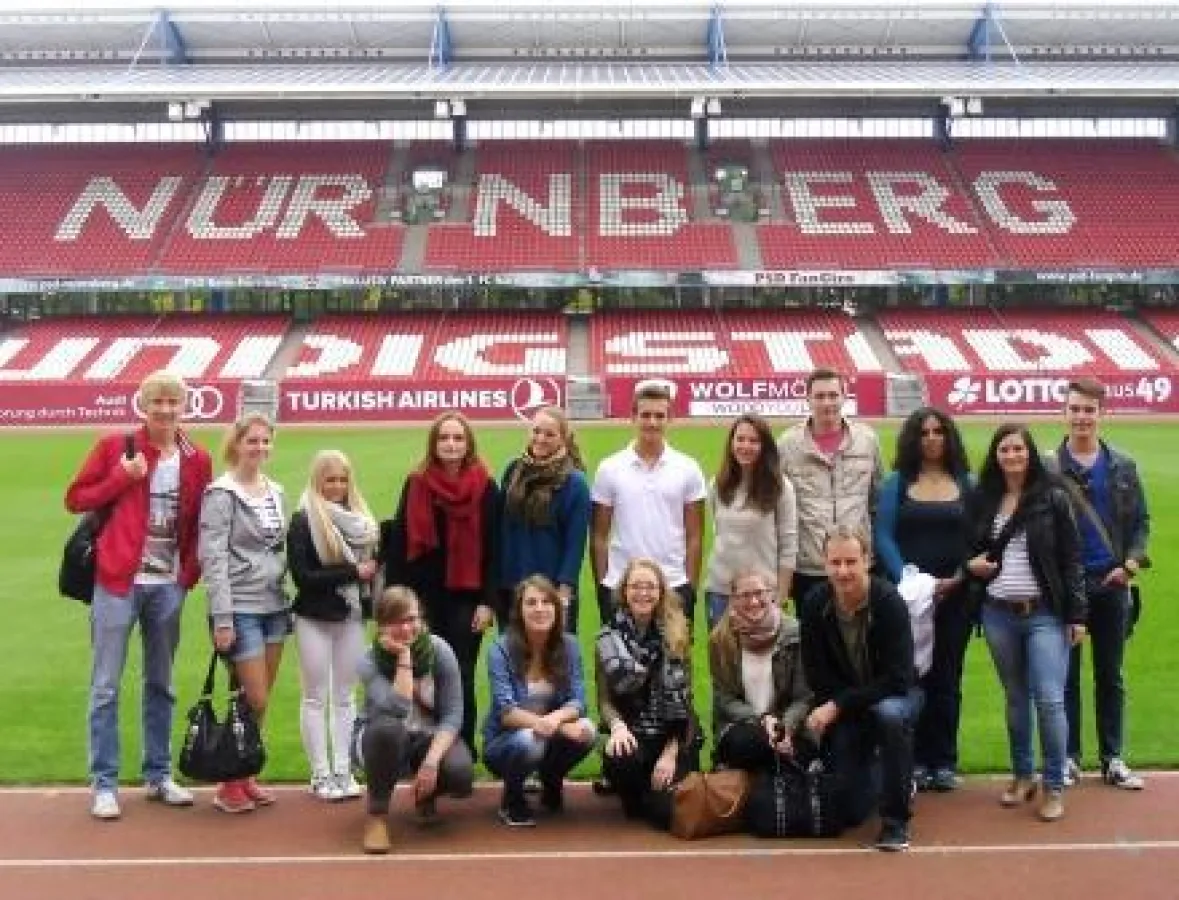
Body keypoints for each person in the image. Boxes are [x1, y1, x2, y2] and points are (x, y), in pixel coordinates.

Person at [65, 370, 212, 821]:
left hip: (167, 585)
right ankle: (104, 783)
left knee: (161, 684)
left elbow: (202, 521)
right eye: (157, 402)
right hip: (117, 581)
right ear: (142, 406)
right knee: (106, 685)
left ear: (183, 406)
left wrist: (187, 576)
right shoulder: (115, 446)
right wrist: (121, 478)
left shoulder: (197, 457)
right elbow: (76, 498)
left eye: (173, 401)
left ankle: (158, 774)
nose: (166, 409)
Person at [967, 424, 1086, 823]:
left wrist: (1077, 615)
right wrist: (972, 564)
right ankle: (1022, 775)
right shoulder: (986, 498)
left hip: (1045, 614)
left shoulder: (1053, 498)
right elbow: (971, 545)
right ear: (996, 455)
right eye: (1004, 449)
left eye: (1018, 448)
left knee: (1050, 700)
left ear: (1029, 452)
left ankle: (1054, 784)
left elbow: (1072, 559)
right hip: (998, 612)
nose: (1012, 455)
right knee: (1015, 699)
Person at [1048, 378, 1150, 791]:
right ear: (1064, 412)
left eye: (1089, 410)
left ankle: (1112, 757)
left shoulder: (1123, 465)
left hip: (1112, 582)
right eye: (1075, 409)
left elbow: (1141, 522)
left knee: (1110, 675)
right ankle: (1070, 758)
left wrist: (1130, 564)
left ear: (1101, 413)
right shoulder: (1050, 467)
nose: (1081, 417)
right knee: (1065, 676)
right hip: (1068, 586)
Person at [383, 411, 497, 756]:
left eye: (458, 438)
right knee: (421, 672)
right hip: (422, 599)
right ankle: (421, 746)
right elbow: (400, 544)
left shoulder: (486, 486)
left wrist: (488, 601)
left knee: (461, 673)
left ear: (468, 443)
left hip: (467, 597)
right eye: (444, 438)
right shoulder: (417, 483)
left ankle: (460, 749)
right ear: (434, 443)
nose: (451, 444)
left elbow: (495, 547)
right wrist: (397, 607)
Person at [800, 525, 921, 853]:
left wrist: (839, 705)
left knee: (891, 717)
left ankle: (896, 823)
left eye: (851, 562)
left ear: (867, 560)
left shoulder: (889, 603)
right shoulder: (813, 605)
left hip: (894, 696)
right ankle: (891, 775)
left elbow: (898, 678)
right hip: (846, 704)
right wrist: (841, 705)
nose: (843, 571)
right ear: (824, 564)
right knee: (850, 812)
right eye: (835, 562)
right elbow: (817, 676)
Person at [874, 407, 974, 793]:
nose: (932, 438)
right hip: (911, 599)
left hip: (956, 596)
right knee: (911, 677)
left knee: (948, 678)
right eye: (924, 432)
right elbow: (883, 535)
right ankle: (912, 759)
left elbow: (979, 537)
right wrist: (911, 581)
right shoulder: (897, 483)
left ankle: (943, 759)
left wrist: (959, 577)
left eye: (939, 431)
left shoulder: (967, 482)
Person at [199, 412, 289, 814]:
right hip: (240, 606)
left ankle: (245, 772)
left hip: (275, 603)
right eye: (252, 441)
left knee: (262, 699)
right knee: (249, 695)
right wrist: (222, 617)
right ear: (236, 444)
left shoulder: (276, 491)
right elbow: (212, 557)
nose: (259, 448)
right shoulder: (221, 494)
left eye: (265, 441)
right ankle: (228, 782)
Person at [288, 449, 379, 802]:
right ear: (317, 481)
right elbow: (303, 576)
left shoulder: (360, 519)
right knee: (315, 696)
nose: (337, 486)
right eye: (330, 480)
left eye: (342, 479)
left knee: (345, 696)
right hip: (314, 615)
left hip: (351, 616)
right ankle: (320, 774)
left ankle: (343, 770)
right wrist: (353, 572)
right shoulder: (303, 519)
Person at [355, 586, 474, 854]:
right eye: (397, 622)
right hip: (381, 740)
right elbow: (398, 707)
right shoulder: (368, 660)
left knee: (460, 771)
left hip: (426, 737)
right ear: (381, 625)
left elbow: (453, 714)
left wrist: (431, 762)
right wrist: (404, 658)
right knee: (387, 729)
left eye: (411, 619)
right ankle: (377, 816)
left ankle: (426, 794)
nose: (406, 628)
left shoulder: (440, 651)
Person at [591, 380, 706, 628]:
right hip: (622, 585)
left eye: (659, 415)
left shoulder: (688, 468)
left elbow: (695, 535)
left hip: (673, 585)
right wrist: (603, 586)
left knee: (674, 664)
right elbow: (599, 535)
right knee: (619, 664)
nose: (652, 422)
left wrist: (690, 586)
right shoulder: (610, 468)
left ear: (669, 418)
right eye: (645, 415)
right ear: (633, 417)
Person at [484, 576, 596, 826]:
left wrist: (556, 720)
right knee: (529, 739)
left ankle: (551, 778)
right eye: (531, 603)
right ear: (519, 611)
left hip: (550, 734)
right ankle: (512, 800)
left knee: (588, 730)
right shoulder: (500, 650)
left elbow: (579, 702)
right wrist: (550, 725)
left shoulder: (570, 646)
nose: (540, 609)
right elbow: (507, 712)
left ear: (557, 609)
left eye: (547, 602)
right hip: (505, 742)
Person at [596, 557, 699, 826]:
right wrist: (617, 727)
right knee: (621, 760)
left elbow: (686, 703)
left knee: (665, 814)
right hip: (634, 733)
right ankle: (636, 792)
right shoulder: (608, 638)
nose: (643, 593)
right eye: (636, 586)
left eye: (650, 586)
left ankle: (656, 791)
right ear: (624, 592)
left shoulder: (677, 634)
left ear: (661, 592)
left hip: (670, 736)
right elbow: (605, 699)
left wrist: (670, 753)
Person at [779, 368, 884, 618]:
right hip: (809, 567)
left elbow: (877, 502)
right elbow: (779, 508)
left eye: (833, 395)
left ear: (844, 396)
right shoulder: (787, 445)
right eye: (819, 396)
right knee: (815, 644)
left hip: (856, 564)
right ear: (807, 399)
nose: (827, 402)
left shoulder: (867, 440)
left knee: (861, 642)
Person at [498, 406, 591, 633]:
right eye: (536, 431)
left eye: (550, 434)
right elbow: (501, 529)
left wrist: (564, 591)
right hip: (512, 586)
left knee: (554, 662)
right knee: (513, 661)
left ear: (563, 439)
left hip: (551, 592)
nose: (541, 438)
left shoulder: (575, 483)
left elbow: (575, 543)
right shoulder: (513, 470)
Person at [709, 569, 810, 773]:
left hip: (788, 722)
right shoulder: (720, 640)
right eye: (745, 595)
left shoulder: (796, 635)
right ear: (733, 600)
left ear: (771, 594)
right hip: (744, 723)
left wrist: (784, 728)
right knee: (750, 745)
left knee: (803, 750)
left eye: (759, 593)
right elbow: (723, 698)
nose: (753, 601)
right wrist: (762, 719)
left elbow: (804, 697)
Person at [705, 414, 797, 630]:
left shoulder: (780, 488)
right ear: (731, 443)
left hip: (762, 596)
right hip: (721, 592)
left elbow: (789, 545)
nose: (745, 446)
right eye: (740, 439)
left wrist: (781, 596)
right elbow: (719, 533)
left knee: (763, 662)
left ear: (765, 446)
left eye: (754, 441)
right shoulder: (717, 486)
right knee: (724, 662)